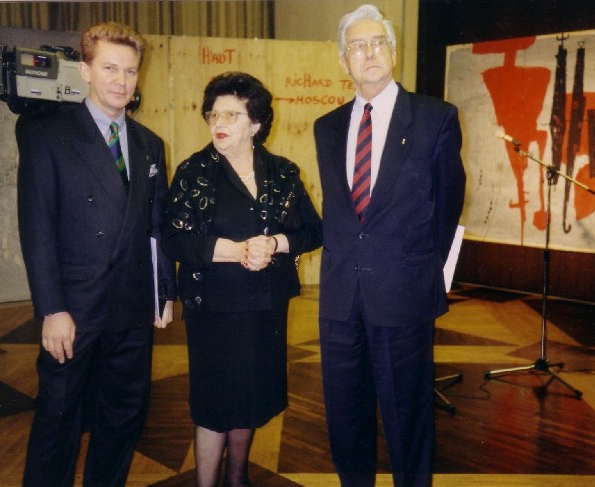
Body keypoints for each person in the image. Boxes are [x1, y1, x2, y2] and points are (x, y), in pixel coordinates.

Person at [17, 22, 176, 487]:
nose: (121, 81)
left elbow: (156, 226)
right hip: (74, 308)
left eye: (130, 71)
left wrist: (163, 291)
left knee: (123, 417)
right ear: (85, 70)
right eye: (110, 68)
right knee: (58, 418)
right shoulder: (48, 136)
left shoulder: (149, 144)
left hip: (131, 306)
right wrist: (52, 309)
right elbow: (37, 229)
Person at [313, 4, 466, 487]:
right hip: (340, 300)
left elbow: (448, 206)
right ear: (344, 61)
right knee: (345, 420)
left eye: (378, 42)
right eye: (357, 46)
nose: (369, 52)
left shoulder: (434, 117)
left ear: (394, 53)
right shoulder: (327, 127)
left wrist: (416, 270)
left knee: (408, 422)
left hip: (403, 294)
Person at [161, 71, 322, 487]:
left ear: (256, 123)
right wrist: (231, 251)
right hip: (212, 308)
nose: (220, 122)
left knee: (250, 400)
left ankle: (237, 479)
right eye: (214, 114)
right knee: (213, 406)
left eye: (232, 115)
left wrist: (277, 244)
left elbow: (313, 231)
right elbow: (173, 238)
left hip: (265, 308)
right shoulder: (193, 172)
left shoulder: (283, 173)